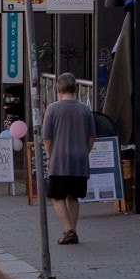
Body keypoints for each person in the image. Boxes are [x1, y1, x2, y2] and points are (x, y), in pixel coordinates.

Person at [42, 72, 98, 245]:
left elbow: (47, 137)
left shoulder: (52, 109)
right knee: (73, 197)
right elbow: (91, 137)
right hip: (80, 160)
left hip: (60, 160)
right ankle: (72, 232)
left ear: (58, 89)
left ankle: (68, 230)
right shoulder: (85, 110)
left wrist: (49, 155)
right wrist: (84, 152)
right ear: (76, 88)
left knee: (57, 196)